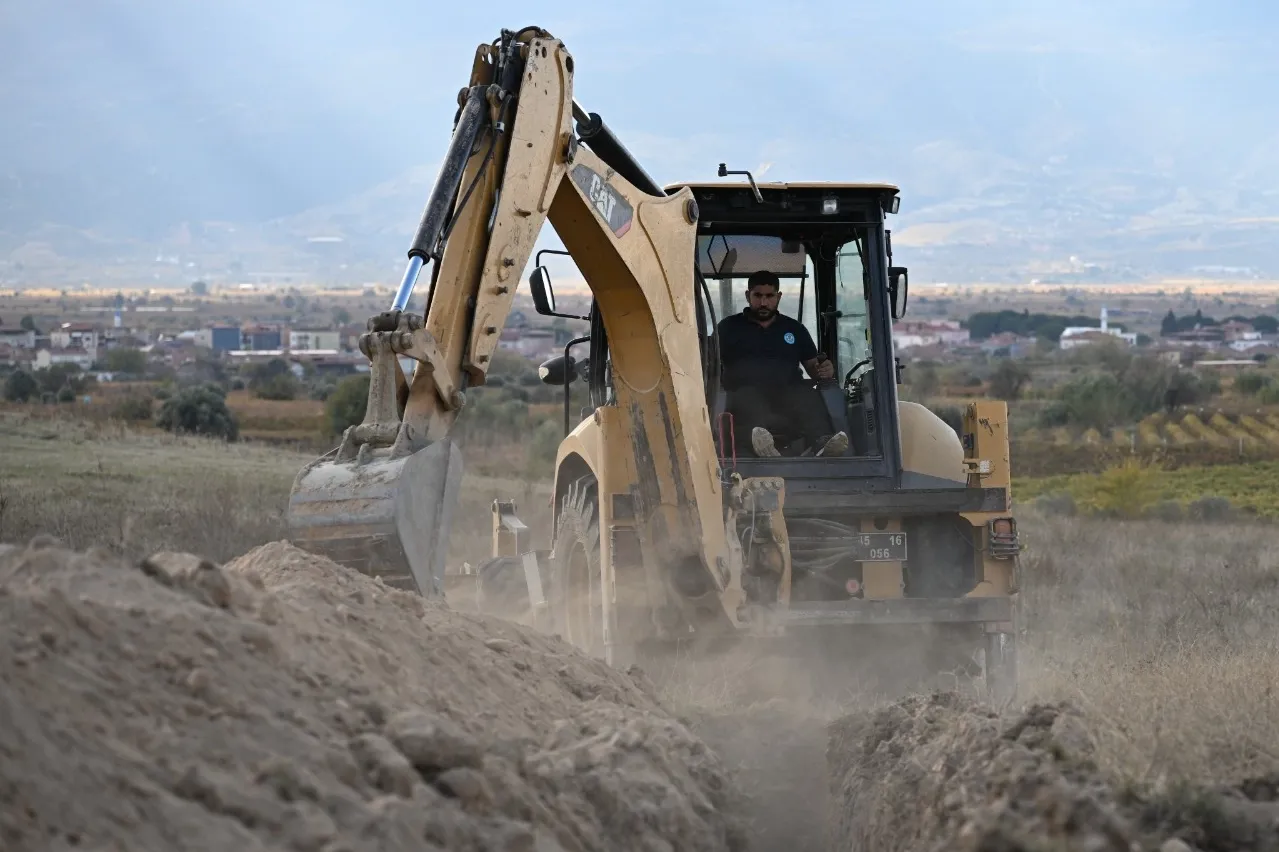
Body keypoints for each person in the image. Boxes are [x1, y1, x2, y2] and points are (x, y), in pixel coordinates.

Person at [714, 270, 849, 458]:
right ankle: (761, 447)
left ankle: (822, 443)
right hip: (744, 393)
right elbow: (708, 362)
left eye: (769, 296)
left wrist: (825, 369)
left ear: (778, 297)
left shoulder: (794, 329)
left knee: (807, 394)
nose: (763, 303)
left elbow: (813, 368)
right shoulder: (728, 328)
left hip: (787, 394)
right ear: (747, 295)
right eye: (758, 296)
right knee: (747, 399)